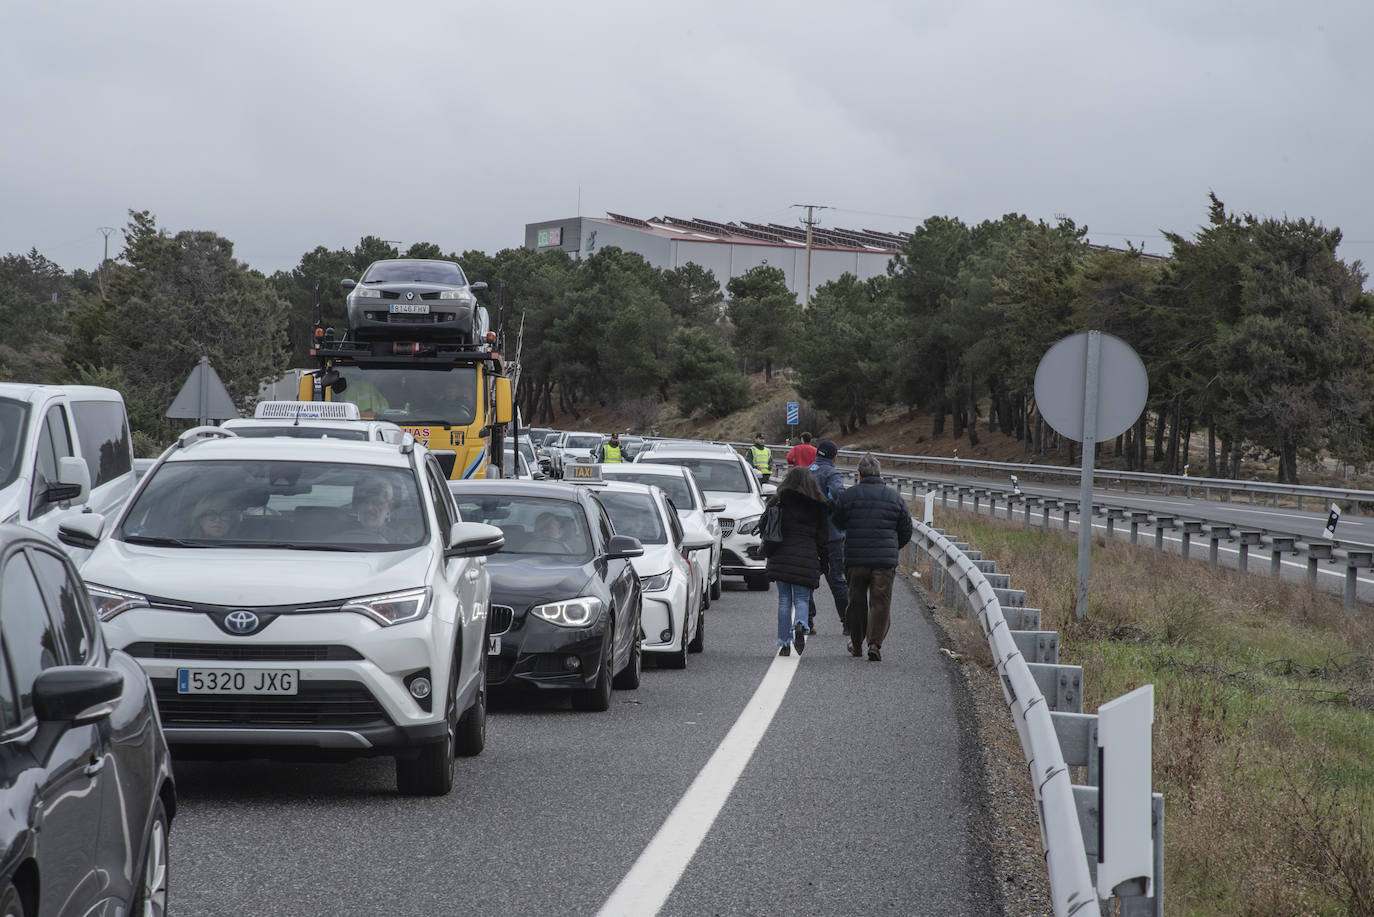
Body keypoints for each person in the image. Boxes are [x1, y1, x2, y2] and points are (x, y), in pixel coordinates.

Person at [832, 454, 912, 662]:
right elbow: (906, 529)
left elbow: (838, 521)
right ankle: (875, 644)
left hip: (855, 559)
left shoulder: (849, 496)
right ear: (880, 474)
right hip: (884, 562)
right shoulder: (894, 497)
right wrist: (893, 547)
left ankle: (857, 644)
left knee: (856, 601)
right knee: (880, 602)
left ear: (858, 475)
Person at [763, 466, 830, 657]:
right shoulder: (819, 505)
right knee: (802, 599)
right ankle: (800, 623)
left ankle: (784, 643)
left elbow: (764, 525)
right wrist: (825, 564)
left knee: (784, 600)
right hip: (807, 557)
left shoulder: (779, 501)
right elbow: (823, 539)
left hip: (782, 556)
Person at [809, 439, 849, 634]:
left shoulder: (805, 472)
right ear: (835, 456)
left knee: (807, 578)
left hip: (808, 535)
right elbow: (837, 493)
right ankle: (847, 622)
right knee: (837, 579)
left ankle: (807, 621)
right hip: (831, 535)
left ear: (817, 453)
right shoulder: (832, 473)